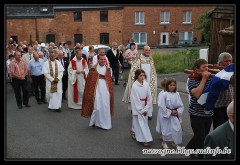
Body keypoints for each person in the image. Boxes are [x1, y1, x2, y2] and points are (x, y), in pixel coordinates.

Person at [185, 59, 212, 159]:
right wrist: (204, 79)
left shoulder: (210, 77)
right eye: (204, 67)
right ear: (196, 69)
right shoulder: (192, 79)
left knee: (203, 135)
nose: (206, 69)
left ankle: (189, 149)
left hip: (208, 112)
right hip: (196, 113)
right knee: (200, 137)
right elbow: (196, 94)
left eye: (207, 66)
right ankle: (201, 157)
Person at [122, 45, 157, 120]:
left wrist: (152, 81)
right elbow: (133, 72)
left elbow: (153, 71)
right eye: (146, 50)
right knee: (138, 97)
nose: (148, 52)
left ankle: (148, 112)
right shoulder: (137, 59)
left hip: (148, 82)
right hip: (139, 82)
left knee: (148, 97)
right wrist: (136, 82)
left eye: (149, 50)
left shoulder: (151, 59)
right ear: (143, 51)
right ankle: (136, 110)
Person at [81, 53, 114, 130]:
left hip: (105, 90)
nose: (103, 61)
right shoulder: (93, 69)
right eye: (101, 59)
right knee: (96, 106)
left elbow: (109, 80)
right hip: (96, 90)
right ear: (98, 60)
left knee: (105, 106)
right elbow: (89, 82)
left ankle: (104, 124)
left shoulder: (108, 69)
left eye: (104, 59)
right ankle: (95, 121)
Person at [158, 78, 184, 149]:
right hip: (167, 115)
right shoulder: (164, 94)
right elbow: (161, 106)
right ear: (167, 86)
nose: (172, 86)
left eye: (174, 85)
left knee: (177, 129)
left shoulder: (177, 94)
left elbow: (181, 105)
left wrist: (178, 111)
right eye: (170, 85)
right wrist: (169, 112)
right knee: (166, 130)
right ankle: (164, 142)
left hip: (175, 114)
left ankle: (175, 142)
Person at [130, 69, 153, 147]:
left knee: (144, 123)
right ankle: (141, 139)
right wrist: (141, 110)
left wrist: (147, 108)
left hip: (145, 106)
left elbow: (149, 97)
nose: (142, 77)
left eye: (143, 75)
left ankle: (134, 131)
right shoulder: (134, 86)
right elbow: (135, 99)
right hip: (138, 107)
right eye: (140, 75)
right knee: (139, 123)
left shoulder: (146, 84)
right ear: (137, 76)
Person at [212, 52, 233, 130]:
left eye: (230, 61)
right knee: (219, 128)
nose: (228, 63)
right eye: (226, 61)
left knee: (229, 128)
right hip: (218, 106)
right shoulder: (215, 71)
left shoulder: (232, 71)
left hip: (229, 105)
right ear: (220, 62)